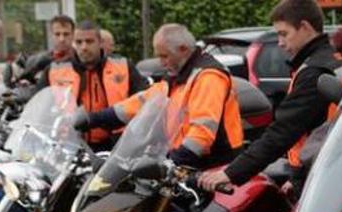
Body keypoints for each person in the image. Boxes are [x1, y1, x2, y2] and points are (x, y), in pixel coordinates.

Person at [197, 0, 342, 191]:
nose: (280, 43)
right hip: (330, 168)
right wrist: (297, 179)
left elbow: (282, 132)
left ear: (304, 27)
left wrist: (230, 173)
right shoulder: (335, 60)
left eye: (283, 34)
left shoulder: (314, 71)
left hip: (323, 175)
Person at [77, 24, 243, 169]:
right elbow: (140, 103)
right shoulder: (176, 76)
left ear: (184, 50)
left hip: (214, 166)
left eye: (164, 56)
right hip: (186, 162)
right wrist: (91, 119)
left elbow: (202, 134)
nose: (161, 62)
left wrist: (169, 163)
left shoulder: (208, 77)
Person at [42, 21, 146, 151]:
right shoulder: (55, 70)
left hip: (117, 145)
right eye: (79, 42)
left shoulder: (123, 66)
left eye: (89, 41)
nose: (84, 47)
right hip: (70, 145)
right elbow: (40, 107)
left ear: (100, 42)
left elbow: (143, 98)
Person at [17, 15, 76, 85]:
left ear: (73, 35)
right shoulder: (39, 61)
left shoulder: (80, 60)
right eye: (57, 34)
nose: (62, 39)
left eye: (66, 34)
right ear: (51, 35)